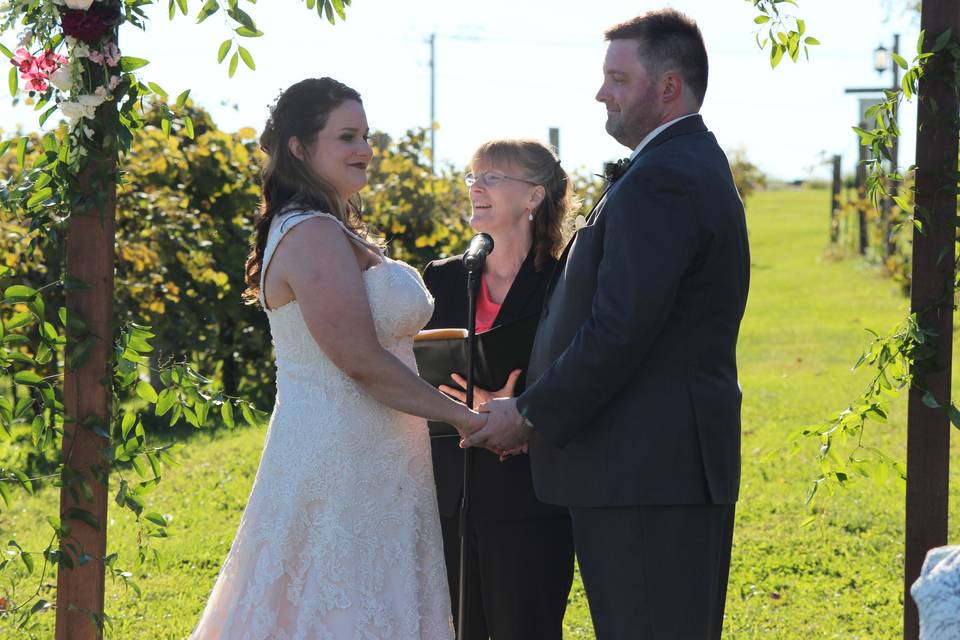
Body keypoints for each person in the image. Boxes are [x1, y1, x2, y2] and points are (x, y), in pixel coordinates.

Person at [463, 10, 750, 640]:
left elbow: (620, 330)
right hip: (647, 469)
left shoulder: (665, 180)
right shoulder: (676, 166)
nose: (601, 93)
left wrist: (530, 413)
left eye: (617, 79)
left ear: (668, 87)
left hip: (647, 472)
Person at [191, 77, 483, 639]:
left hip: (377, 451)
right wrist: (465, 419)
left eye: (366, 136)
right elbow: (360, 361)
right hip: (342, 455)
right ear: (299, 148)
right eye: (346, 137)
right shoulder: (313, 235)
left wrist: (460, 389)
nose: (365, 150)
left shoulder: (327, 229)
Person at [421, 140, 576, 639]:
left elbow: (580, 372)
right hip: (449, 491)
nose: (476, 187)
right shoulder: (444, 278)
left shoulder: (565, 281)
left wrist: (516, 408)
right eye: (473, 176)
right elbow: (419, 371)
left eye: (492, 177)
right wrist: (473, 407)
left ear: (533, 197)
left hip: (530, 496)